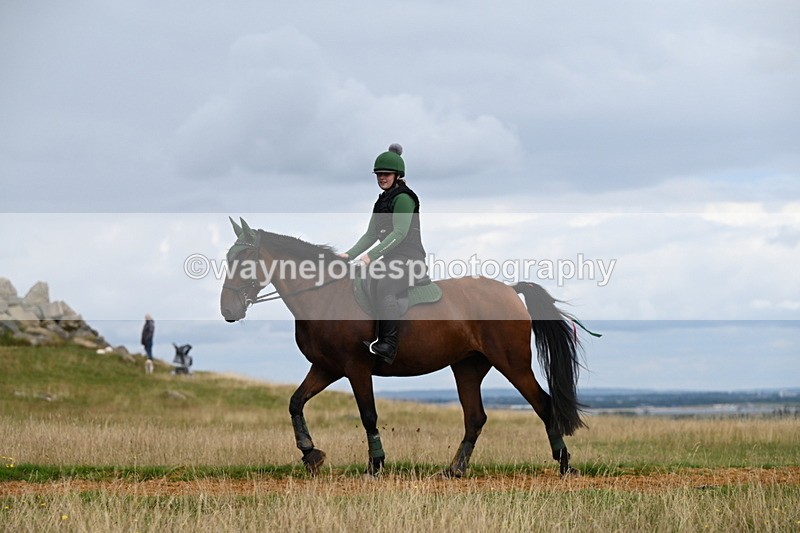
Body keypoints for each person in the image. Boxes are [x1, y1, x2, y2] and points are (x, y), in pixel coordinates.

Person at [340, 144, 428, 364]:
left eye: (386, 174)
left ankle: (388, 343)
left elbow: (399, 233)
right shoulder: (381, 201)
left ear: (397, 175)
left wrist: (370, 257)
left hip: (410, 260)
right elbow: (370, 235)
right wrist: (347, 256)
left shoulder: (404, 198)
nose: (381, 178)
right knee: (362, 279)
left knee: (386, 284)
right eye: (378, 174)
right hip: (391, 260)